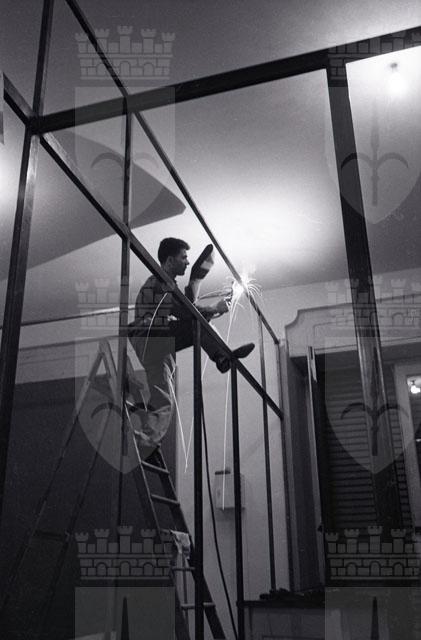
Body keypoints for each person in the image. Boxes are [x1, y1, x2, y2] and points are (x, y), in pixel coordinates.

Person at [128, 238, 254, 448]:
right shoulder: (159, 282)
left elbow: (186, 309)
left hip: (158, 345)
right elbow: (186, 312)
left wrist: (201, 296)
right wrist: (213, 308)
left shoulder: (167, 285)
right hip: (150, 337)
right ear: (170, 260)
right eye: (183, 257)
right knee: (198, 325)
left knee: (164, 398)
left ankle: (147, 439)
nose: (187, 262)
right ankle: (222, 357)